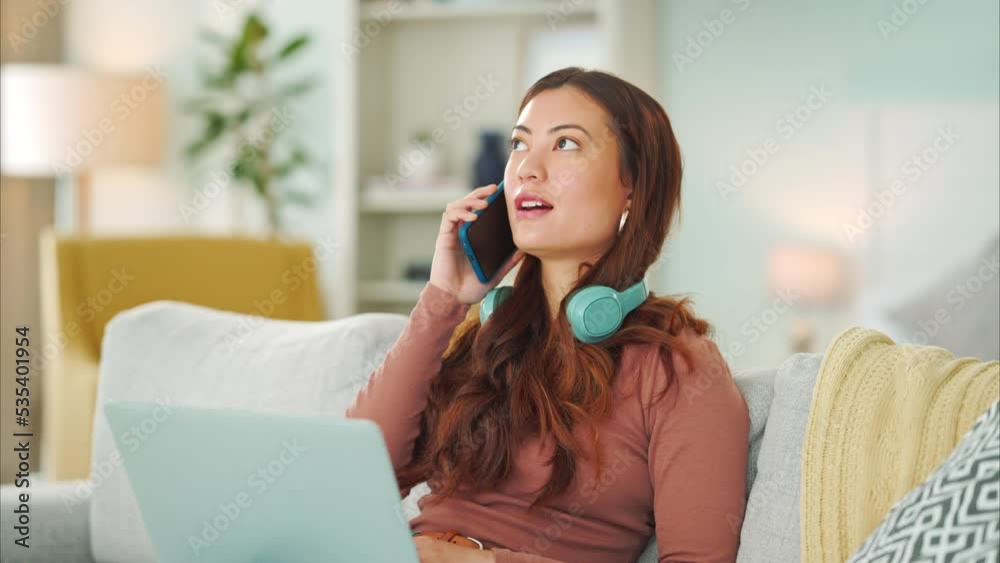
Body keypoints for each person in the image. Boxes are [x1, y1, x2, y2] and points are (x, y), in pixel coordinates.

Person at [346, 67, 749, 563]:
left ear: (633, 186)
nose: (527, 170)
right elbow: (352, 474)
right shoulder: (483, 339)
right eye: (519, 145)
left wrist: (483, 562)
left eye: (566, 145)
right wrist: (444, 299)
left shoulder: (678, 367)